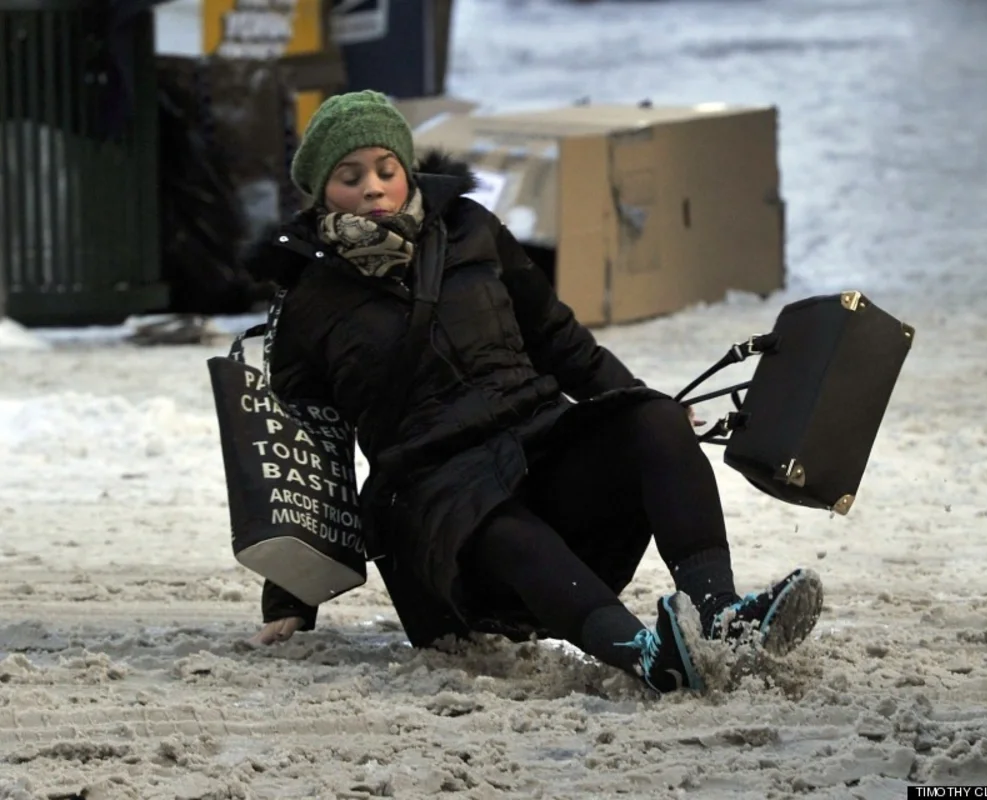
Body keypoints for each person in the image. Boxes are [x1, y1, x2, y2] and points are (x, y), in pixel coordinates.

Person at [242, 90, 823, 694]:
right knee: (503, 527)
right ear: (319, 193)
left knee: (652, 420)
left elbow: (561, 342)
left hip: (535, 441)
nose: (374, 187)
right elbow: (310, 454)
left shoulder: (470, 230)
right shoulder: (307, 300)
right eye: (350, 175)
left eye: (387, 169)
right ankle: (649, 657)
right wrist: (292, 592)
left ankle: (721, 618)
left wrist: (655, 419)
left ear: (407, 170)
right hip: (431, 493)